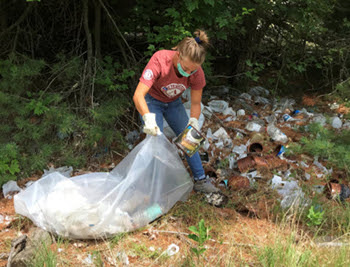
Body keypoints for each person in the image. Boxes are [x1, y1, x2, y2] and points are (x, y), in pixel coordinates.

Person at [133, 29, 220, 194]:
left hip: (173, 102)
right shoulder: (160, 60)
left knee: (190, 139)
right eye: (186, 68)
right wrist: (147, 118)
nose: (188, 73)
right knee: (155, 142)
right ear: (178, 54)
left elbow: (195, 103)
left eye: (192, 71)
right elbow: (138, 95)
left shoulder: (197, 73)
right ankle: (152, 186)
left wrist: (193, 121)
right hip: (152, 101)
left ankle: (200, 181)